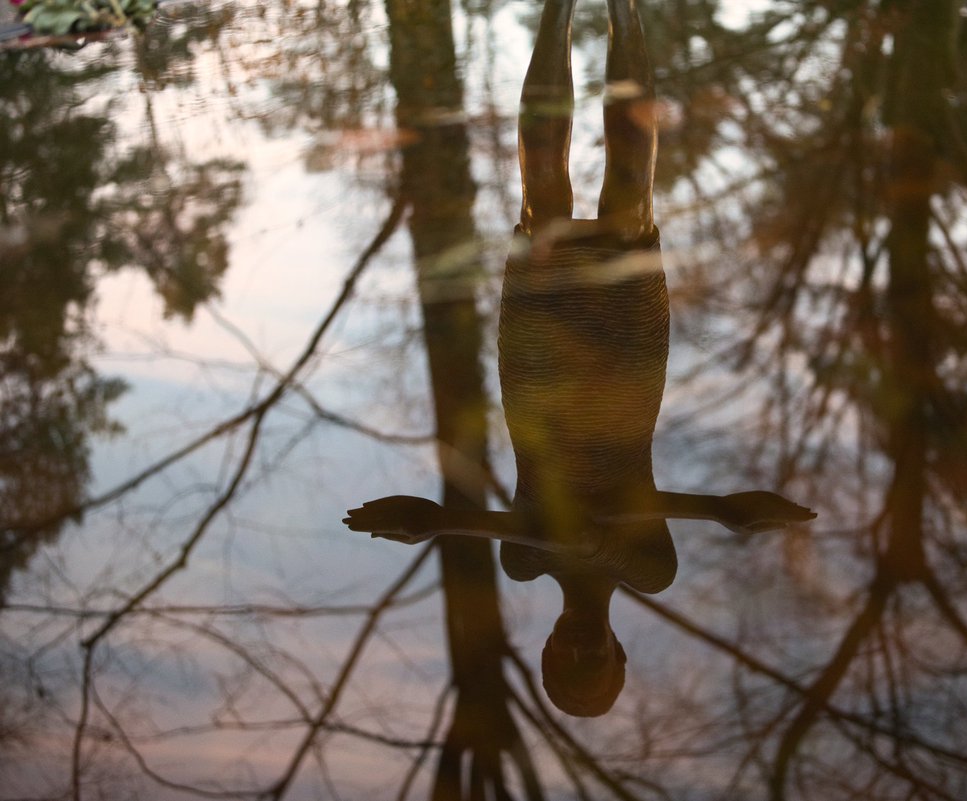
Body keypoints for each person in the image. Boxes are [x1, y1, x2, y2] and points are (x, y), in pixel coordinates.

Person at [345, 0, 815, 717]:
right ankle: (626, 17)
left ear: (549, 652)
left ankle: (558, 15)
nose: (584, 653)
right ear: (618, 653)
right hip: (623, 379)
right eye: (597, 666)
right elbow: (604, 525)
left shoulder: (524, 561)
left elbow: (560, 530)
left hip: (539, 379)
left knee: (542, 194)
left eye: (569, 666)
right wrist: (724, 510)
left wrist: (436, 521)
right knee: (630, 199)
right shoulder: (650, 570)